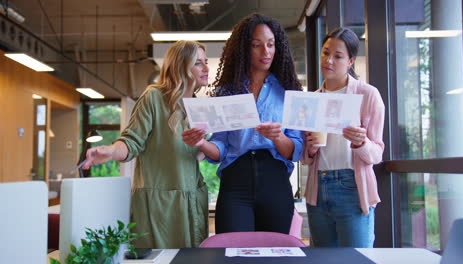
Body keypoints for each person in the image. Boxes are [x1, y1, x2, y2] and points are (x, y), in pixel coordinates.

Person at [182, 13, 303, 234]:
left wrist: (278, 137)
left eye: (271, 44)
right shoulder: (226, 93)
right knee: (232, 252)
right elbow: (220, 147)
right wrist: (200, 142)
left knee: (276, 255)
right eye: (257, 45)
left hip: (275, 181)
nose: (266, 52)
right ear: (244, 49)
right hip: (235, 183)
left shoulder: (288, 92)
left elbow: (294, 151)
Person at [81, 40, 210, 248]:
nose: (206, 68)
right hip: (158, 206)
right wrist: (111, 151)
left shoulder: (200, 107)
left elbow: (201, 153)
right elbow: (132, 141)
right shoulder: (153, 97)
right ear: (180, 66)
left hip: (192, 202)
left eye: (205, 62)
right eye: (198, 63)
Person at [301, 27, 385, 247]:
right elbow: (305, 159)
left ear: (350, 62)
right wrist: (309, 149)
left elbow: (376, 153)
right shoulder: (312, 100)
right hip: (318, 187)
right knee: (323, 260)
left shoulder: (367, 95)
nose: (328, 60)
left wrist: (361, 142)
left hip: (352, 187)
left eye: (337, 56)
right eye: (325, 52)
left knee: (357, 258)